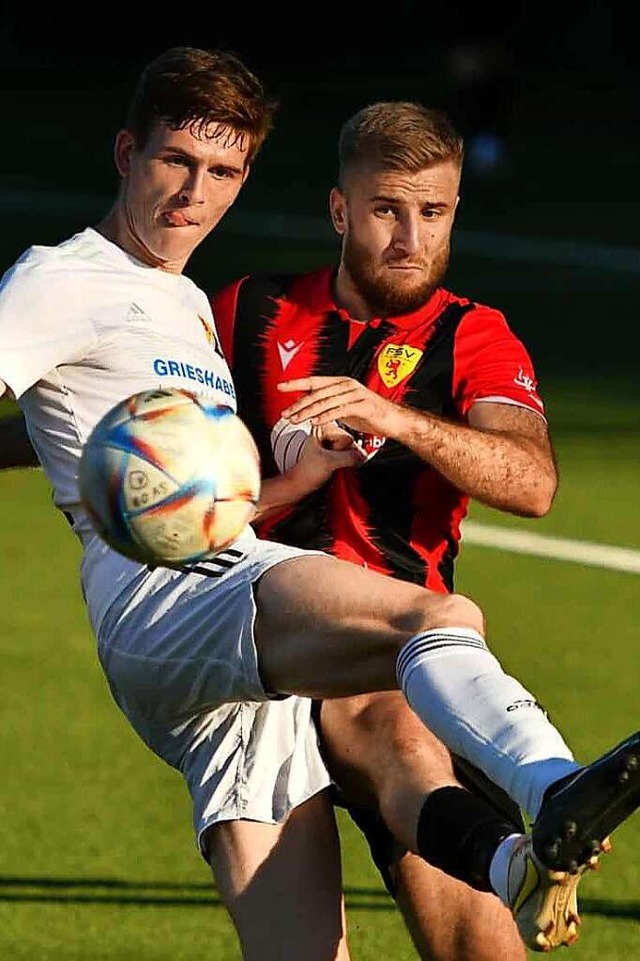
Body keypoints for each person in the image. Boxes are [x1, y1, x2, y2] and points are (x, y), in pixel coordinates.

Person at [0, 46, 639, 960]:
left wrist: (300, 470)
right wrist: (84, 482)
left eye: (221, 171)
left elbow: (164, 464)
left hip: (243, 655)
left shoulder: (181, 306)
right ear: (126, 153)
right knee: (437, 614)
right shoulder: (61, 280)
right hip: (191, 597)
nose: (194, 192)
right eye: (175, 160)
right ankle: (553, 790)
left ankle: (509, 864)